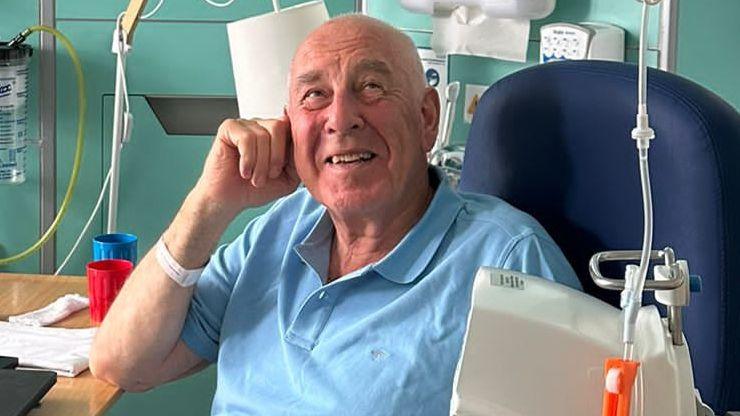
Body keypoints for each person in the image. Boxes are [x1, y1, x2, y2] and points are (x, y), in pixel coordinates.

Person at [90, 14, 581, 415]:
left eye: (371, 87)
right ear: (289, 125)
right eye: (314, 95)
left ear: (427, 117)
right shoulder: (279, 229)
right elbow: (123, 364)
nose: (341, 118)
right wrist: (209, 204)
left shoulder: (509, 260)